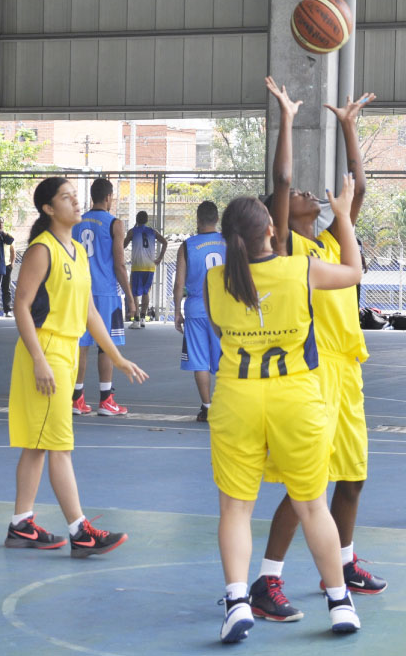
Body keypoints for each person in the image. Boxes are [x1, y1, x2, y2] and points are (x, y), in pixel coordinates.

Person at [207, 173, 363, 642]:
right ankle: (339, 604)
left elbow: (220, 332)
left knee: (236, 507)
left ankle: (237, 602)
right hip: (295, 398)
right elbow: (354, 274)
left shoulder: (217, 279)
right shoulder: (301, 269)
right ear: (271, 231)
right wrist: (343, 217)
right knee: (312, 504)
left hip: (237, 397)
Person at [251, 81, 384, 627]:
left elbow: (360, 190)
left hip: (347, 369)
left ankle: (345, 563)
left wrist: (350, 126)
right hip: (312, 370)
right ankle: (268, 577)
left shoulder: (332, 241)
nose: (309, 192)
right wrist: (287, 118)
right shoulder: (287, 245)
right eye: (300, 196)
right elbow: (281, 182)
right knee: (308, 483)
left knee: (351, 477)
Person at [4, 177, 148, 559]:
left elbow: (88, 311)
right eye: (65, 197)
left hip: (65, 351)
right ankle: (80, 532)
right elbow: (21, 306)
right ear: (49, 209)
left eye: (74, 196)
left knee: (38, 445)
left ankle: (21, 524)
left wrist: (115, 357)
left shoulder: (76, 252)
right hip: (46, 350)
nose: (75, 202)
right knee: (59, 447)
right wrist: (38, 359)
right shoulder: (42, 249)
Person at [72, 178, 138, 416]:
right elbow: (119, 264)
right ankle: (106, 399)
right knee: (106, 346)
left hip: (79, 290)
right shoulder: (115, 223)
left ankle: (76, 398)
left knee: (81, 344)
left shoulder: (76, 222)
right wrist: (130, 297)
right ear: (109, 197)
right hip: (105, 292)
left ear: (92, 196)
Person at [172, 201, 225, 422]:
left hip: (196, 309)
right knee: (225, 361)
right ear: (217, 219)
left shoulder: (187, 246)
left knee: (200, 361)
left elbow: (179, 283)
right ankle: (226, 406)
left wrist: (177, 311)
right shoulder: (228, 242)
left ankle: (207, 407)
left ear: (197, 220)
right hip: (223, 310)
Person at [125, 210, 167, 328]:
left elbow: (122, 245)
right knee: (146, 292)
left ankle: (136, 319)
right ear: (147, 220)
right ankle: (143, 318)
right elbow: (165, 242)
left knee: (134, 292)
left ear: (136, 220)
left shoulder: (133, 232)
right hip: (150, 266)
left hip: (138, 265)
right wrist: (159, 258)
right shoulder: (153, 232)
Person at [0, 230, 16, 317]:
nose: (0, 225)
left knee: (6, 288)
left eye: (1, 223)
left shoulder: (8, 237)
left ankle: (7, 310)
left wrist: (12, 263)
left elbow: (13, 251)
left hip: (6, 265)